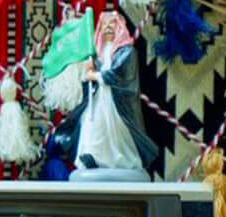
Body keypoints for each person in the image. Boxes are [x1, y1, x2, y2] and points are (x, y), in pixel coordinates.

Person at [52, 10, 157, 176]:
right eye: (104, 25)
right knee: (91, 126)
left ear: (119, 27)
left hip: (117, 104)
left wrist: (94, 75)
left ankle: (120, 160)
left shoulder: (127, 52)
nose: (108, 27)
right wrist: (87, 70)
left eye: (111, 24)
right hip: (98, 99)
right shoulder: (98, 55)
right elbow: (88, 76)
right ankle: (92, 157)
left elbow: (117, 75)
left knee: (115, 132)